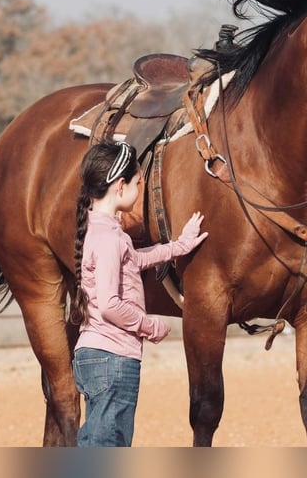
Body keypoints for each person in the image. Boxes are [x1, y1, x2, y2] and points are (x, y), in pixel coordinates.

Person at [70, 140, 207, 447]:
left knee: (96, 443)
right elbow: (109, 305)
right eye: (138, 183)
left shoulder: (103, 231)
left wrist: (179, 246)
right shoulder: (108, 238)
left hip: (96, 356)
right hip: (113, 358)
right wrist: (151, 326)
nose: (140, 190)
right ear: (120, 186)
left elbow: (133, 260)